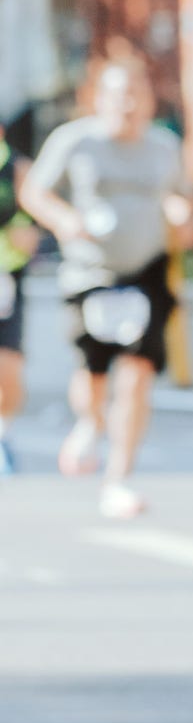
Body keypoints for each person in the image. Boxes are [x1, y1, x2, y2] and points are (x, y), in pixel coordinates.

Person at [17, 58, 193, 518]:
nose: (129, 104)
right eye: (119, 94)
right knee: (93, 378)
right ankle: (89, 422)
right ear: (100, 98)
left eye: (137, 94)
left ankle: (118, 478)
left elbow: (188, 202)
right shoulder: (75, 141)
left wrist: (183, 216)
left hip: (147, 272)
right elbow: (35, 192)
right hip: (90, 273)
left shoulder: (163, 146)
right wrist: (64, 221)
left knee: (137, 377)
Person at [0, 140, 34, 476]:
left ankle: (3, 435)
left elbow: (30, 235)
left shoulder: (16, 169)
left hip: (6, 282)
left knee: (7, 367)